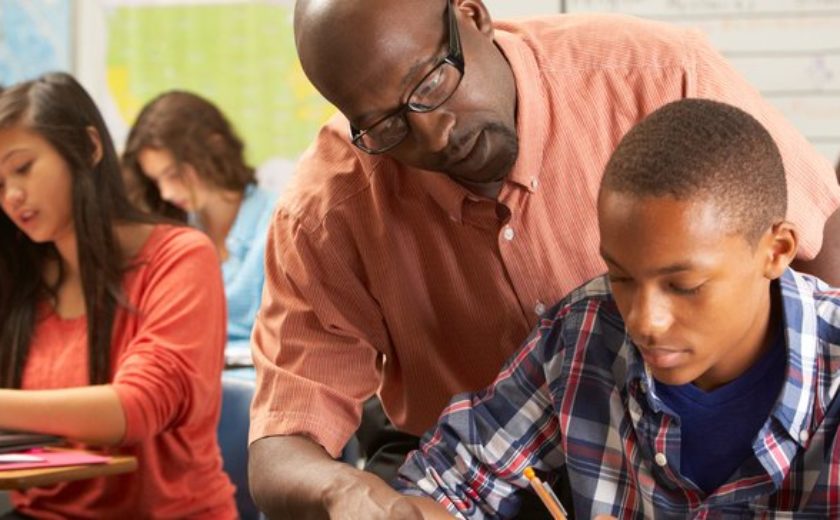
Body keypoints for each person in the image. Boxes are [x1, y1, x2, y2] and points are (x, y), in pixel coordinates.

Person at [248, 0, 840, 517]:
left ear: (472, 15)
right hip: (471, 452)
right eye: (385, 124)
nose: (432, 135)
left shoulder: (656, 72)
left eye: (430, 84)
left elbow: (819, 238)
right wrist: (347, 493)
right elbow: (287, 438)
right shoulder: (327, 209)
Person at [396, 98, 840, 518]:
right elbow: (452, 484)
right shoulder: (584, 330)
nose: (644, 321)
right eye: (622, 277)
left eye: (683, 286)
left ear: (776, 251)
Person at [0, 72, 236, 518]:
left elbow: (136, 407)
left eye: (23, 168)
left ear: (89, 148)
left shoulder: (180, 256)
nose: (12, 196)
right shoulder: (21, 277)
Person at [123, 90, 276, 364]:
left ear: (214, 148)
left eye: (174, 175)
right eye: (156, 181)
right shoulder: (175, 230)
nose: (166, 193)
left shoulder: (279, 223)